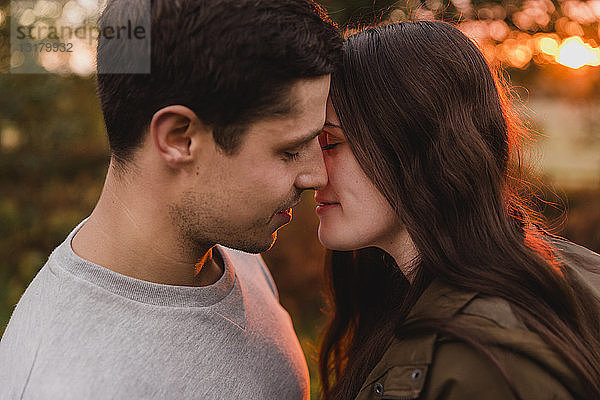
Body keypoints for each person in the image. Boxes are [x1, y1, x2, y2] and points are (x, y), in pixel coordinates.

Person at [0, 0, 341, 399]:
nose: (317, 175)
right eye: (288, 150)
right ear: (180, 138)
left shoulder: (231, 241)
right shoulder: (69, 384)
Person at [315, 21, 600, 400]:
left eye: (329, 142)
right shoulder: (408, 298)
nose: (311, 171)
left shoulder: (486, 361)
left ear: (408, 141)